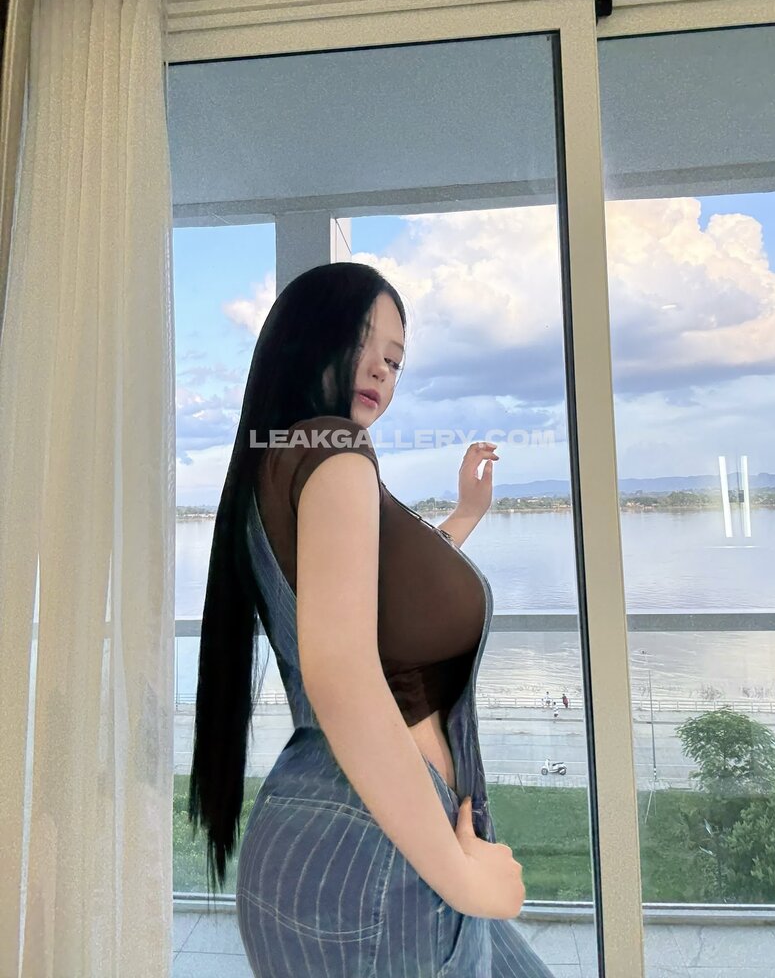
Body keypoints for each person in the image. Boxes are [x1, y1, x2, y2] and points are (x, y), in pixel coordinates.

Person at [187, 262, 554, 977]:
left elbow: (375, 602)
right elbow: (343, 676)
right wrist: (462, 878)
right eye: (365, 341)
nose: (383, 370)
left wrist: (464, 517)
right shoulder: (336, 448)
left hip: (326, 844)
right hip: (384, 861)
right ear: (308, 337)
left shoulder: (276, 464)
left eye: (396, 360)